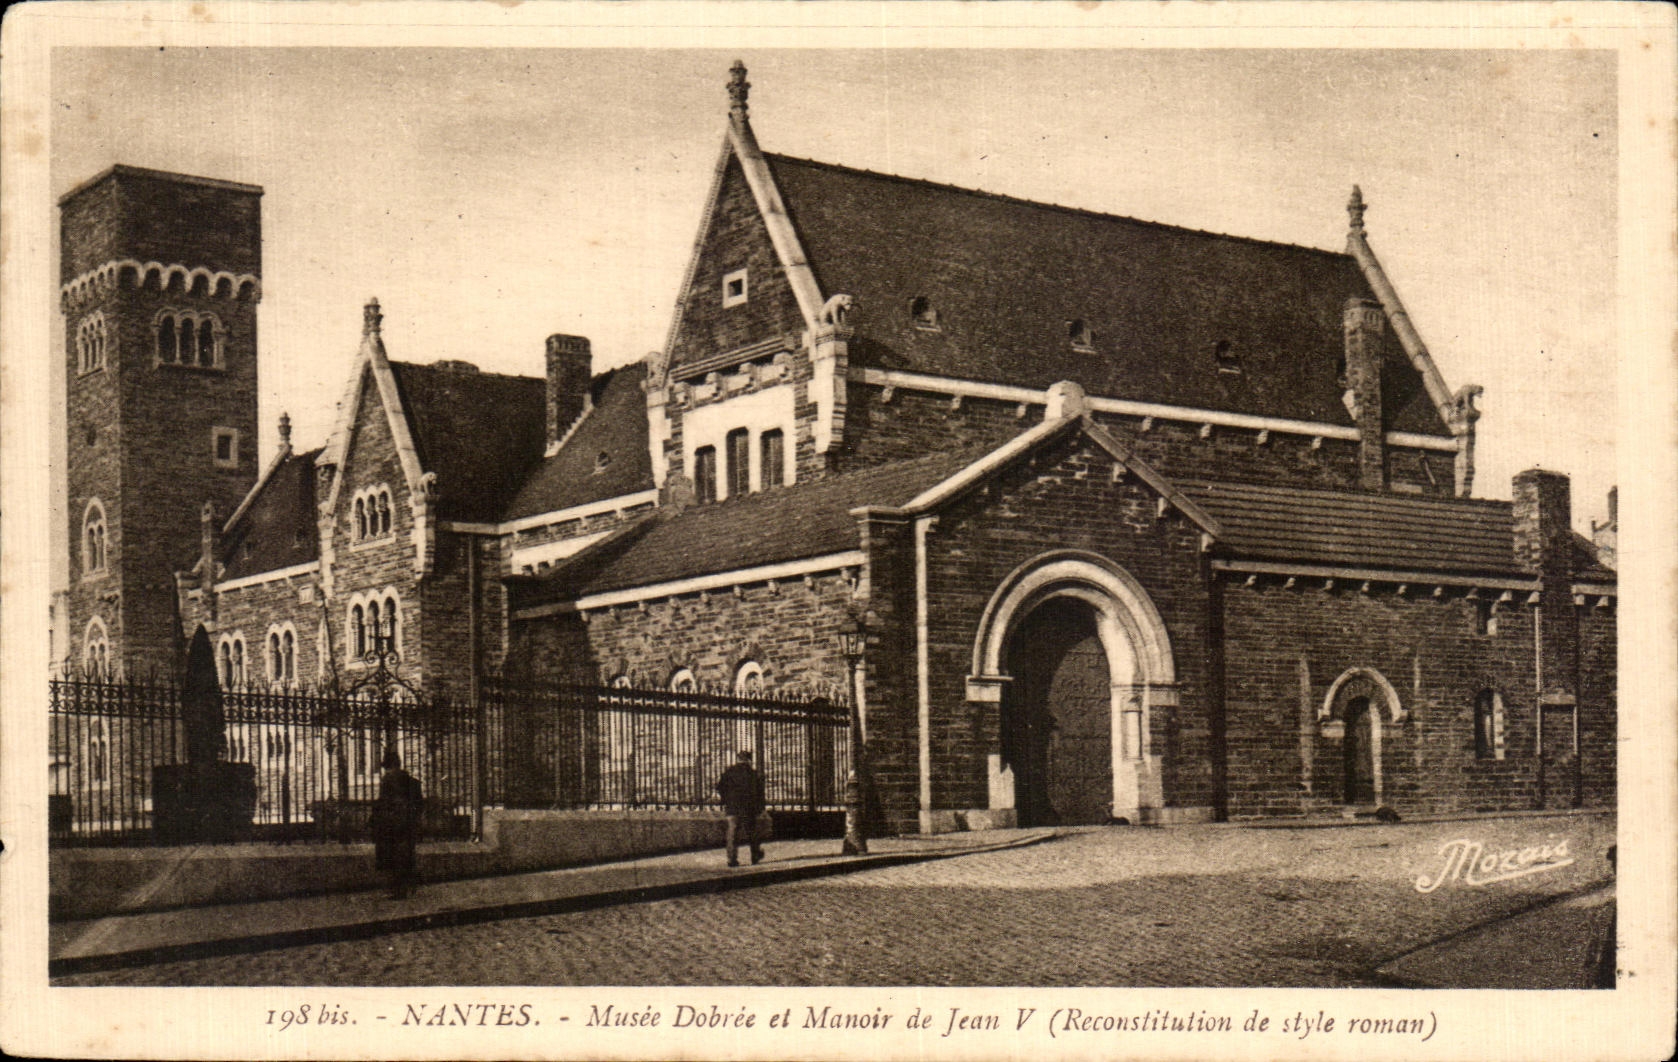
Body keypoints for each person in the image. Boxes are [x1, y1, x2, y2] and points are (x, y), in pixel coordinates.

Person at [371, 748, 424, 898]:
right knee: (406, 855)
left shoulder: (387, 780)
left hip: (391, 824)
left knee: (391, 857)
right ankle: (409, 884)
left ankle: (397, 890)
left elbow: (383, 802)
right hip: (408, 824)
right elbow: (419, 804)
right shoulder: (412, 782)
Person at [716, 750, 765, 867]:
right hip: (748, 807)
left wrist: (726, 799)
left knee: (732, 832)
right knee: (751, 831)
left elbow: (720, 787)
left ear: (738, 759)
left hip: (732, 807)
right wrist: (759, 807)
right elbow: (759, 792)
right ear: (749, 760)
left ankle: (732, 859)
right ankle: (755, 855)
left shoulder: (729, 772)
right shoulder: (752, 773)